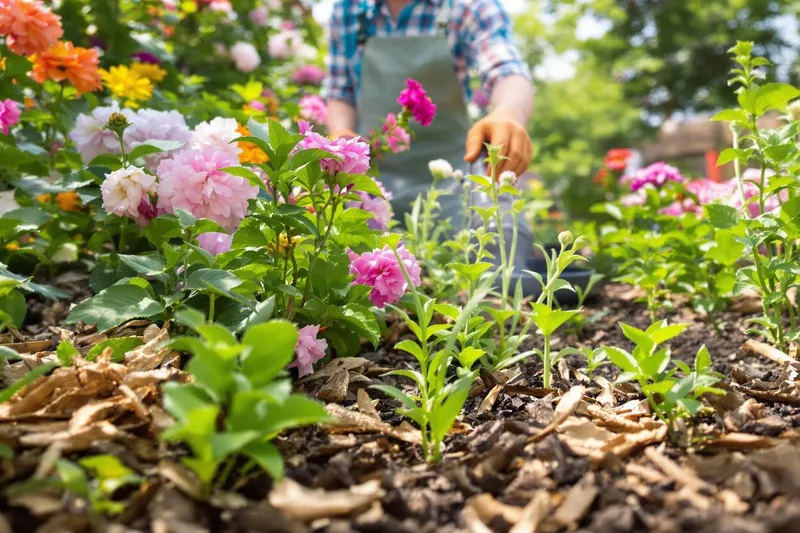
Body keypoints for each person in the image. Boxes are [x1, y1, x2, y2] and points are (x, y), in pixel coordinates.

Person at [324, 0, 535, 232]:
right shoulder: (348, 9)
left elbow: (506, 70)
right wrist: (340, 134)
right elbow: (340, 92)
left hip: (455, 180)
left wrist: (508, 111)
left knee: (495, 240)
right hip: (372, 184)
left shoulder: (469, 6)